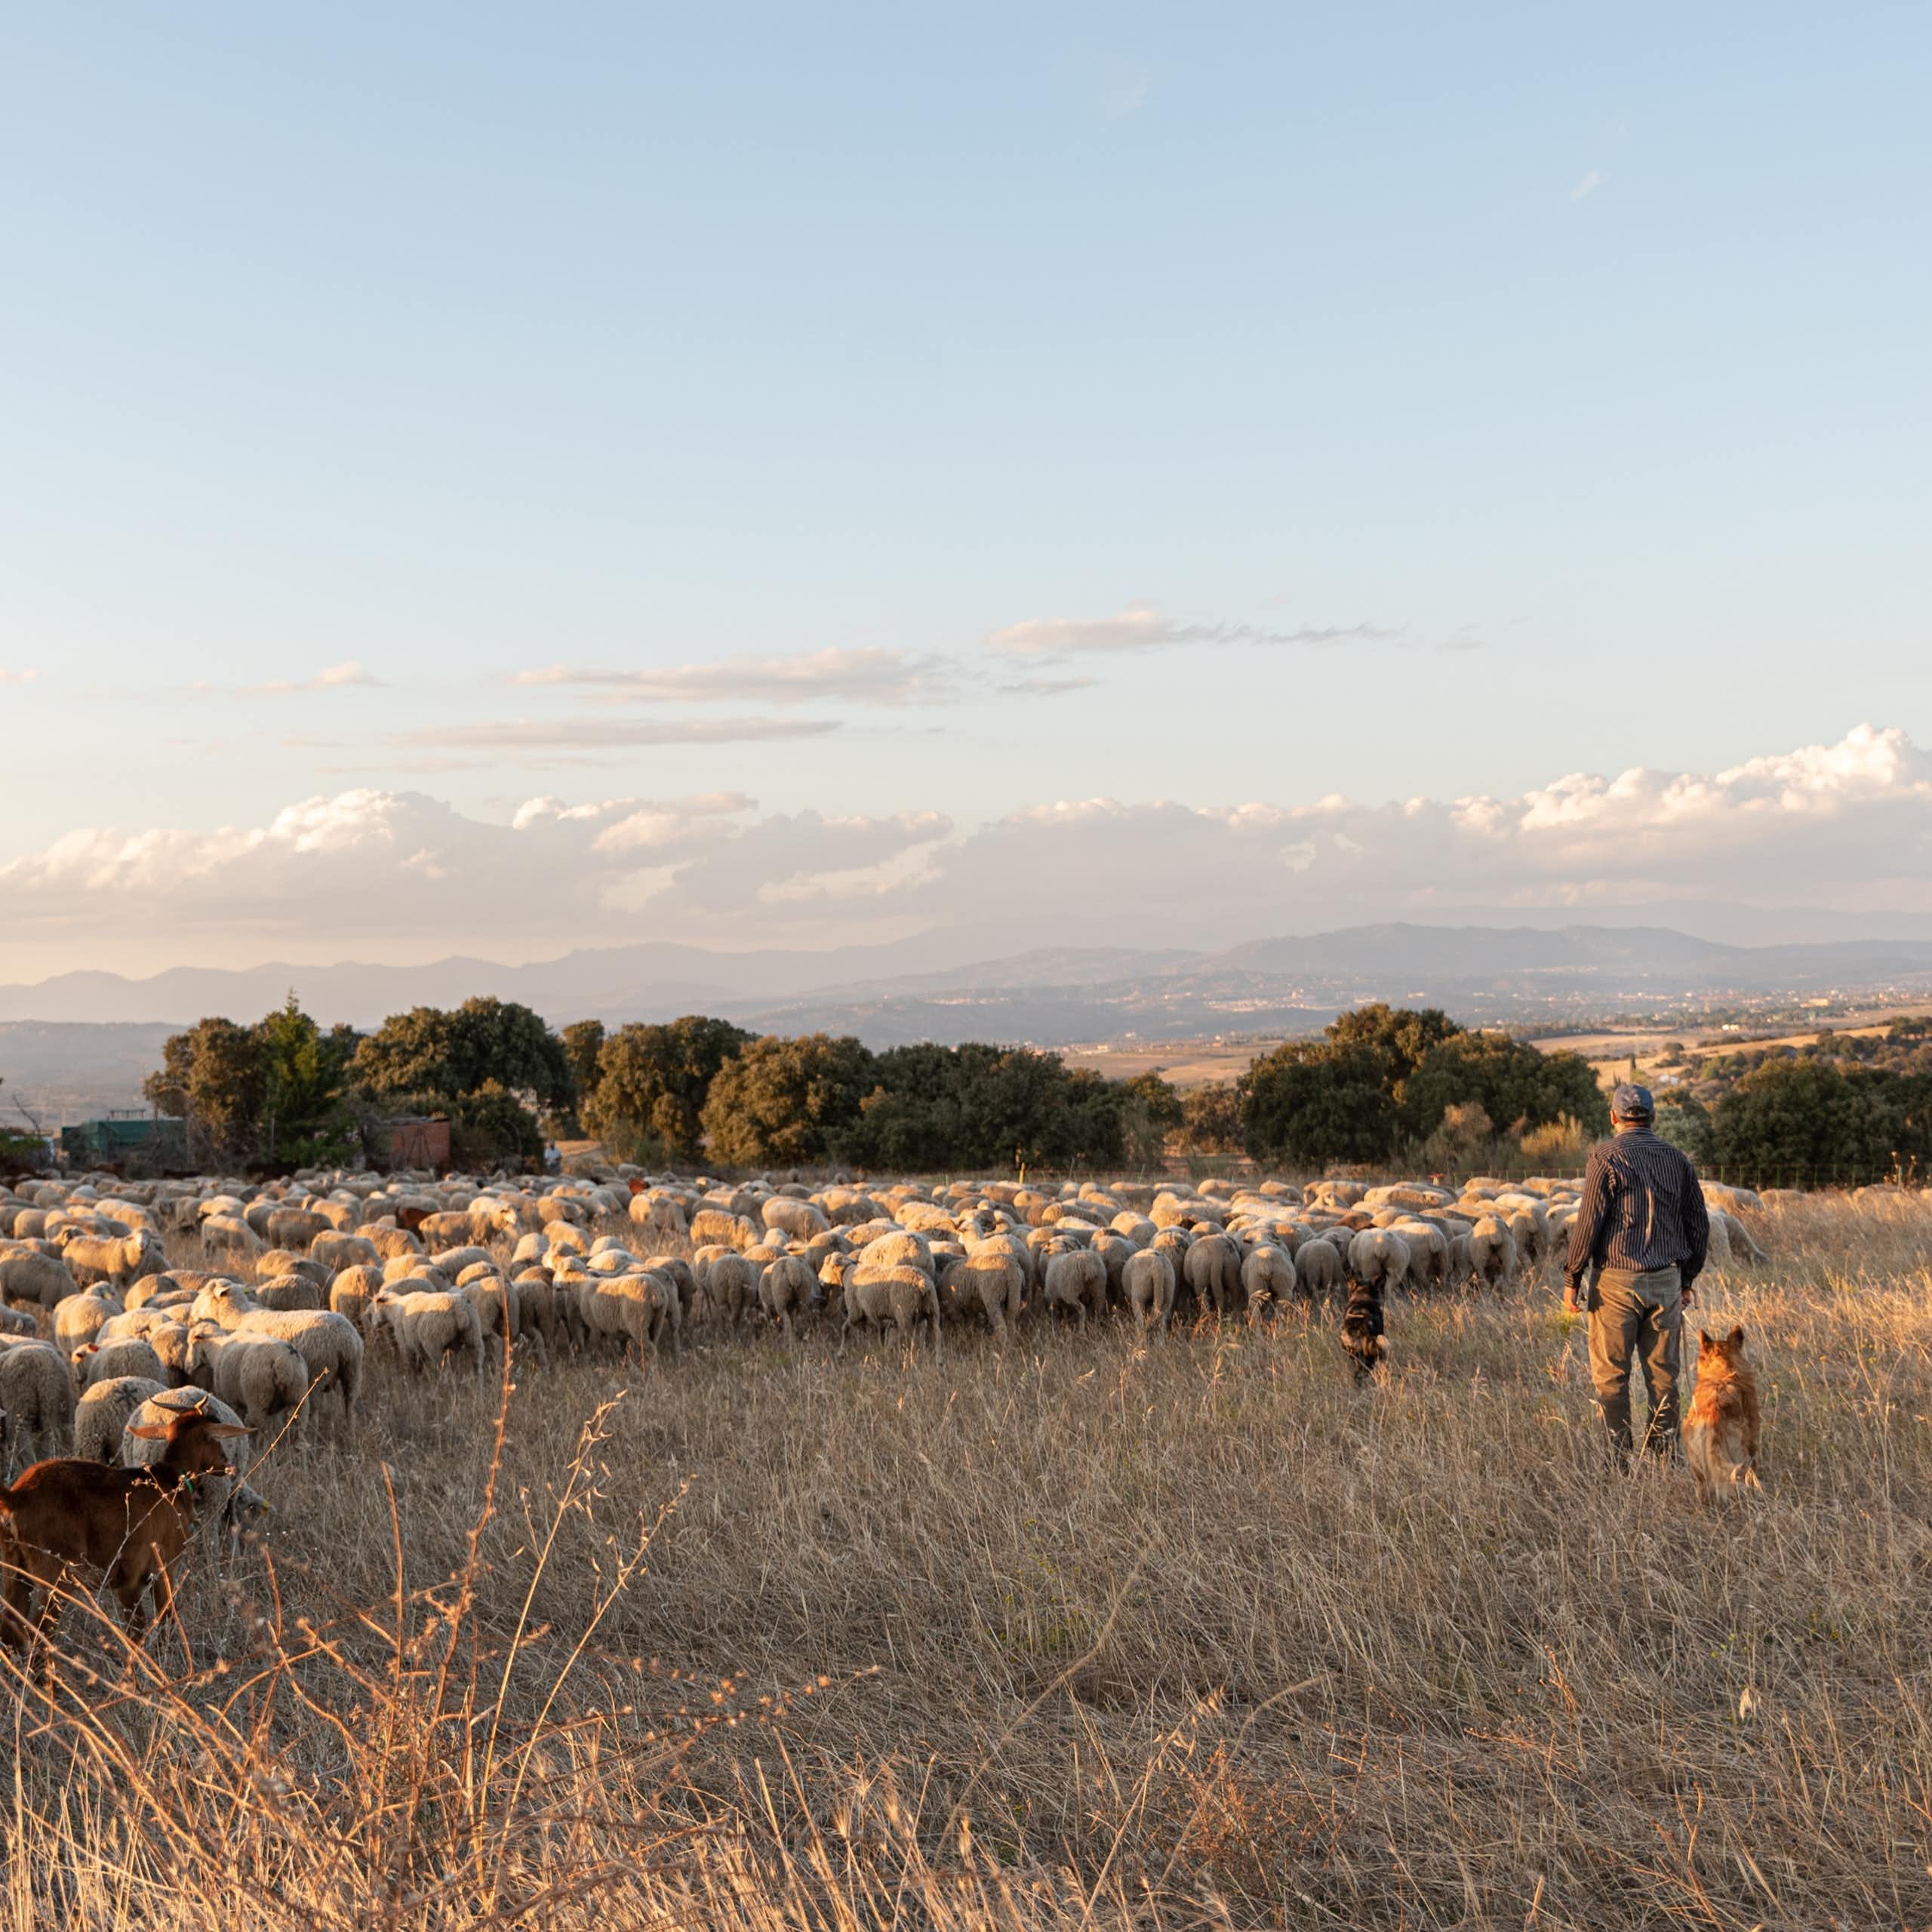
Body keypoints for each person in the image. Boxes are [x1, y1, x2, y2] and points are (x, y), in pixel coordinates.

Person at [1563, 1083, 1709, 1464]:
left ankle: (1618, 1459)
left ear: (1614, 1117)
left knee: (1612, 1375)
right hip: (1665, 1280)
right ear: (1653, 1116)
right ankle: (1663, 1456)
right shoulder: (1677, 1159)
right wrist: (1687, 1278)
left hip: (1616, 1281)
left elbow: (1589, 1223)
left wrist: (1572, 1279)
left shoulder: (1604, 1156)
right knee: (1664, 1376)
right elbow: (1699, 1223)